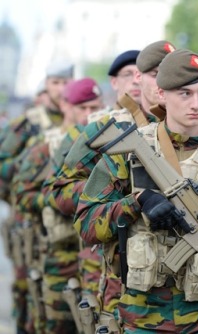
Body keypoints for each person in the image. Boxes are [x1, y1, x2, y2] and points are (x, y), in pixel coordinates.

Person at [74, 48, 198, 333]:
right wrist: (137, 202)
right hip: (141, 314)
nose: (197, 103)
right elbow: (86, 222)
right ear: (162, 94)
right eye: (185, 94)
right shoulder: (128, 151)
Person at [41, 41, 175, 332]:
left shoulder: (193, 132)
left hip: (186, 291)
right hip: (120, 274)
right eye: (151, 73)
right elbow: (59, 190)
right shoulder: (103, 129)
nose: (162, 82)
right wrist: (121, 195)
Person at [13, 77, 104, 334]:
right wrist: (56, 200)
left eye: (94, 108)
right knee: (56, 325)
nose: (89, 115)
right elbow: (22, 196)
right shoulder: (47, 148)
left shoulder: (107, 145)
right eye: (82, 108)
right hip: (59, 256)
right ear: (65, 106)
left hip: (96, 261)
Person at [0, 59, 73, 334]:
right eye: (56, 83)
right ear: (46, 85)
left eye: (66, 83)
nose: (62, 89)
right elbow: (3, 165)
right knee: (26, 290)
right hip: (28, 224)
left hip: (63, 230)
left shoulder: (79, 119)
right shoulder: (27, 125)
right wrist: (26, 167)